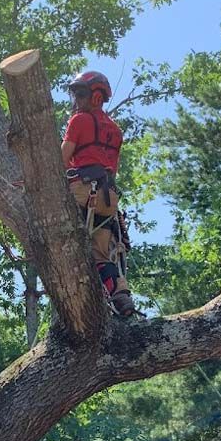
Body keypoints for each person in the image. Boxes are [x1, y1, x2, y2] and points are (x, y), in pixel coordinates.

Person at [61, 70, 135, 318]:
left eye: (81, 94)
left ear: (96, 97)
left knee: (63, 242)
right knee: (101, 254)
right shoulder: (115, 131)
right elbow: (112, 168)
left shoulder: (78, 121)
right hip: (107, 199)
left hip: (81, 190)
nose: (77, 100)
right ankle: (120, 294)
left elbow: (60, 161)